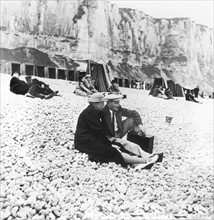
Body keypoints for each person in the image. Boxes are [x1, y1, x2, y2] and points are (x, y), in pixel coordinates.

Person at [75, 93, 162, 169]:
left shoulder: (94, 111)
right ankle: (145, 160)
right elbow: (98, 131)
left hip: (94, 139)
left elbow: (97, 131)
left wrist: (140, 125)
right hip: (87, 141)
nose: (103, 104)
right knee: (114, 151)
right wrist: (109, 143)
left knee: (122, 146)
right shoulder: (95, 112)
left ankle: (146, 158)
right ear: (95, 103)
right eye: (102, 102)